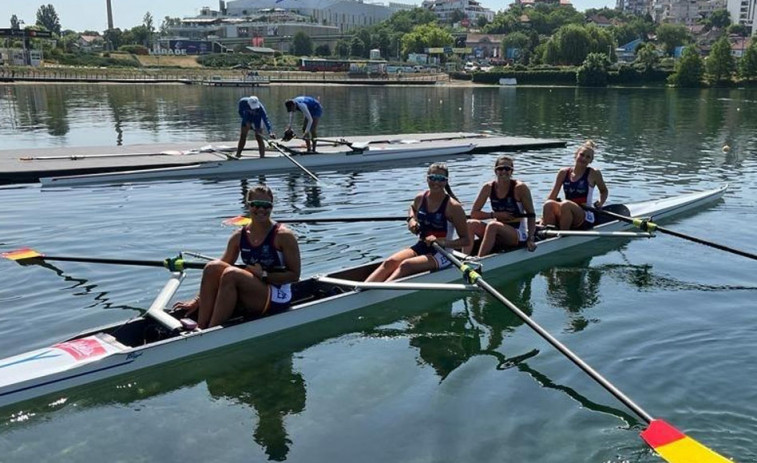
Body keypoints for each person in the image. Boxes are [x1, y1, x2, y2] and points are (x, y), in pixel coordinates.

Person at [173, 185, 300, 328]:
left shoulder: (284, 236)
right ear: (248, 206)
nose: (261, 210)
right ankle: (201, 326)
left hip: (278, 295)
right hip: (254, 289)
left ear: (272, 207)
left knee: (231, 274)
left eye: (266, 206)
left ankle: (211, 331)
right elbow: (216, 272)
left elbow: (295, 275)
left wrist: (264, 275)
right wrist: (198, 299)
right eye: (256, 205)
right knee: (212, 267)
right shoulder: (238, 236)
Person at [365, 162, 471, 282]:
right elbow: (412, 208)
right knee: (390, 262)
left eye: (441, 179)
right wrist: (411, 219)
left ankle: (379, 294)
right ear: (427, 179)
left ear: (446, 181)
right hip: (422, 245)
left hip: (443, 254)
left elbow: (466, 241)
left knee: (407, 265)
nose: (436, 182)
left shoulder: (453, 207)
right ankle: (360, 291)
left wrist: (441, 242)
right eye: (432, 178)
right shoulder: (420, 198)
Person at [463, 155, 537, 257]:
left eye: (507, 169)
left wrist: (530, 238)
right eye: (500, 168)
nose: (504, 171)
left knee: (493, 225)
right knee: (470, 224)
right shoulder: (488, 187)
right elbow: (474, 213)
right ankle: (464, 258)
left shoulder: (520, 188)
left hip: (517, 232)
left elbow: (531, 215)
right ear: (495, 171)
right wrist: (496, 214)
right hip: (497, 230)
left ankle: (479, 260)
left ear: (512, 171)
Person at [542, 140, 609, 230]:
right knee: (548, 204)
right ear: (575, 155)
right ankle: (549, 235)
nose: (584, 158)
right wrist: (544, 216)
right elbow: (552, 196)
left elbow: (604, 191)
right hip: (566, 211)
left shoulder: (594, 173)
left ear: (590, 161)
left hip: (585, 215)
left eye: (588, 157)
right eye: (582, 155)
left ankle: (563, 236)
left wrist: (600, 203)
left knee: (566, 204)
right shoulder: (563, 172)